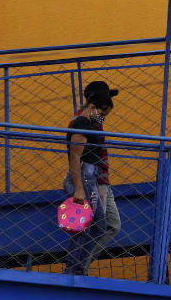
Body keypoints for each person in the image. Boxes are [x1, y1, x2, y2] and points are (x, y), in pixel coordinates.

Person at [63, 80, 119, 275]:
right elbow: (75, 157)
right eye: (103, 113)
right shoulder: (82, 123)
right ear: (93, 104)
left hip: (94, 179)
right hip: (87, 180)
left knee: (101, 226)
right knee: (88, 225)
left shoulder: (93, 122)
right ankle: (75, 269)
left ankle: (78, 268)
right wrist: (82, 188)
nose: (104, 118)